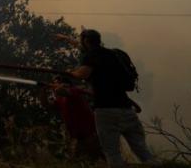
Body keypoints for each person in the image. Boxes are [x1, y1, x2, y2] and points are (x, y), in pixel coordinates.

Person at [59, 29, 154, 167]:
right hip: (127, 109)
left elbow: (82, 74)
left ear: (86, 41)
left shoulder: (90, 57)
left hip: (105, 111)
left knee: (112, 153)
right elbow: (86, 51)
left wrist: (70, 73)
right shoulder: (114, 54)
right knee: (143, 151)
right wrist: (67, 39)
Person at [42, 77, 101, 161]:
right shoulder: (60, 99)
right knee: (81, 160)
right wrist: (43, 91)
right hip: (79, 135)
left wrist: (57, 86)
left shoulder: (73, 91)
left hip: (90, 132)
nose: (53, 86)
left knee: (98, 157)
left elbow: (61, 91)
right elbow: (46, 105)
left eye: (56, 83)